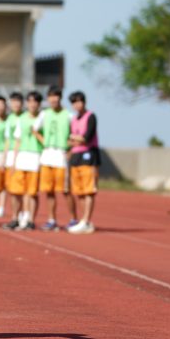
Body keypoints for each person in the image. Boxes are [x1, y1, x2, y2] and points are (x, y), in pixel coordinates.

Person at [34, 86, 72, 231]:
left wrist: (70, 148)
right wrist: (44, 141)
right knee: (48, 191)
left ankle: (73, 218)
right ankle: (51, 219)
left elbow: (74, 133)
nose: (53, 99)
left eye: (56, 96)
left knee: (65, 190)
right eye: (50, 96)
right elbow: (34, 129)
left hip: (61, 155)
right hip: (47, 154)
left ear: (60, 98)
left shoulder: (68, 115)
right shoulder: (44, 114)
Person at [9, 91, 43, 231]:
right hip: (22, 157)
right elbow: (17, 140)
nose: (32, 104)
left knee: (32, 192)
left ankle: (30, 219)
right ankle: (15, 217)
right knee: (16, 191)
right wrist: (14, 161)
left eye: (35, 101)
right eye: (30, 101)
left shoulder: (42, 118)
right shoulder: (21, 118)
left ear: (39, 104)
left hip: (36, 157)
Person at [67, 91, 99, 235]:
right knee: (79, 191)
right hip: (76, 156)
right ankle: (83, 220)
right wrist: (75, 139)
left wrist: (75, 138)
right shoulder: (73, 119)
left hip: (89, 155)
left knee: (89, 191)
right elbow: (69, 139)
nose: (77, 105)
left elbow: (87, 137)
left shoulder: (90, 116)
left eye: (79, 101)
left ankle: (86, 220)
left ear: (84, 102)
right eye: (74, 102)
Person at [1, 92, 25, 229]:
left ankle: (23, 216)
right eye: (13, 101)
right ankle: (15, 216)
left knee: (22, 190)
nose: (15, 104)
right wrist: (4, 159)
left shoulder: (25, 117)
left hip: (23, 156)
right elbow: (7, 140)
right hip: (10, 157)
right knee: (12, 190)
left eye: (18, 101)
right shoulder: (9, 118)